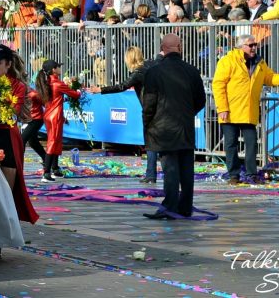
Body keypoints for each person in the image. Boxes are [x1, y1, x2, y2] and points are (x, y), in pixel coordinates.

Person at [212, 35, 279, 184]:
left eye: (255, 44)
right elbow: (218, 85)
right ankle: (234, 176)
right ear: (241, 46)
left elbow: (269, 77)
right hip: (229, 111)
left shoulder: (259, 62)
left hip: (249, 111)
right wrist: (222, 108)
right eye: (250, 45)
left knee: (251, 143)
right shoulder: (227, 61)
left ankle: (251, 174)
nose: (254, 47)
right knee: (231, 145)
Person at [141, 34, 206, 219]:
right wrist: (187, 112)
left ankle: (170, 206)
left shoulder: (154, 72)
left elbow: (149, 103)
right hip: (184, 126)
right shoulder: (192, 70)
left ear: (163, 48)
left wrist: (147, 124)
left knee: (170, 169)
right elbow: (200, 99)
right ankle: (185, 206)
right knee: (186, 169)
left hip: (162, 127)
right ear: (180, 47)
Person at [0, 44, 38, 231]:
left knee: (6, 192)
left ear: (8, 64)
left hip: (8, 140)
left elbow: (12, 115)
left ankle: (2, 234)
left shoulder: (18, 86)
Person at [89, 46, 156, 183]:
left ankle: (151, 174)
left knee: (151, 144)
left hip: (150, 111)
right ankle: (152, 173)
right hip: (158, 108)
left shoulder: (138, 73)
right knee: (158, 144)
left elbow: (122, 86)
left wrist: (100, 89)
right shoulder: (150, 68)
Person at [36, 60, 82, 182]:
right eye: (58, 67)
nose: (60, 69)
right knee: (53, 142)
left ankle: (55, 169)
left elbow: (55, 99)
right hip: (55, 116)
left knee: (55, 141)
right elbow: (75, 95)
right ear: (53, 70)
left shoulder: (47, 82)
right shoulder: (57, 83)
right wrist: (79, 91)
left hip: (49, 115)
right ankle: (46, 173)